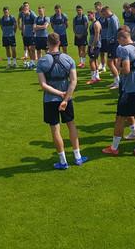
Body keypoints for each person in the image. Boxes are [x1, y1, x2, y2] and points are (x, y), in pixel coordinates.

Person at [36, 33, 88, 169]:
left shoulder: (42, 61)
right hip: (67, 98)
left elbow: (43, 85)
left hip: (50, 99)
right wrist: (65, 98)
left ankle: (63, 161)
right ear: (59, 43)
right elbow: (74, 81)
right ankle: (77, 157)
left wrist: (58, 93)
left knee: (55, 129)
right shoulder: (68, 59)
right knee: (71, 125)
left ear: (48, 43)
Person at [102, 28, 135, 157]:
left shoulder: (124, 49)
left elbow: (127, 70)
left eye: (119, 41)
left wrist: (119, 67)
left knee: (120, 118)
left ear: (122, 38)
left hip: (129, 88)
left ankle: (114, 147)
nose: (119, 43)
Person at [102, 6, 120, 89]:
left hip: (113, 44)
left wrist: (112, 40)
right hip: (112, 43)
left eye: (104, 14)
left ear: (106, 11)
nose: (104, 16)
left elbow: (116, 31)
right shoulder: (111, 18)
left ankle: (117, 82)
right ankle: (116, 81)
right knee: (113, 62)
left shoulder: (113, 19)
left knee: (109, 62)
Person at [19, 2, 37, 68]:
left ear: (29, 7)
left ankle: (34, 62)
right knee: (28, 48)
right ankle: (32, 62)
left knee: (32, 48)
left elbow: (36, 20)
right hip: (26, 34)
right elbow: (23, 23)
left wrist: (34, 30)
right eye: (24, 6)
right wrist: (23, 31)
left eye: (26, 6)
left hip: (32, 34)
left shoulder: (32, 14)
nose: (25, 7)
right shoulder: (23, 14)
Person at [86, 10, 102, 84]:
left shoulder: (96, 24)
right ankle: (97, 77)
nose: (88, 17)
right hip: (92, 44)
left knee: (91, 60)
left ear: (93, 15)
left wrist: (93, 45)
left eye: (89, 15)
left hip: (95, 45)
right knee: (95, 60)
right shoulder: (93, 23)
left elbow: (97, 35)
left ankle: (93, 78)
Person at [95, 1, 107, 72]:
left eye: (97, 7)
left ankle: (115, 68)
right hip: (101, 37)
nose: (96, 8)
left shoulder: (107, 18)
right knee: (101, 53)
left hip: (107, 38)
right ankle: (103, 65)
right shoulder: (98, 18)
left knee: (111, 55)